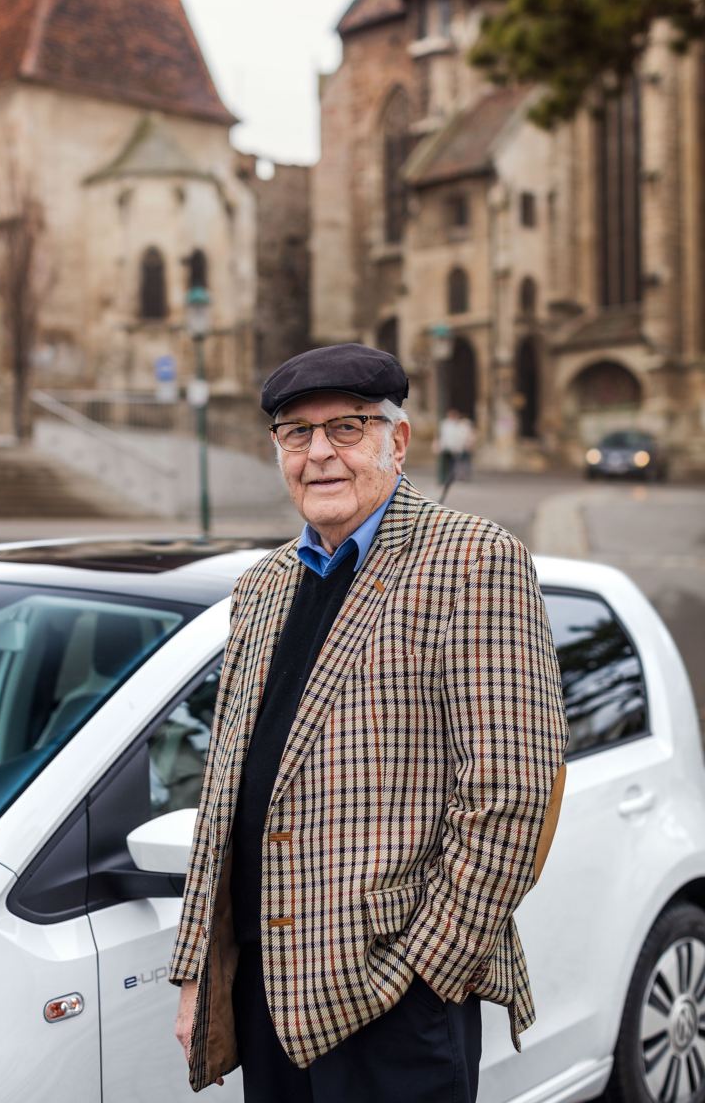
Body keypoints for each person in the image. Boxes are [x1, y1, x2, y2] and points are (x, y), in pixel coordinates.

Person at [169, 343, 568, 1102]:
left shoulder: (474, 561)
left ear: (398, 440)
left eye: (346, 428)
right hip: (268, 995)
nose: (319, 453)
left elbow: (513, 794)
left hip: (395, 1006)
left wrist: (423, 970)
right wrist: (198, 973)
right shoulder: (262, 587)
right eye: (296, 434)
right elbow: (225, 795)